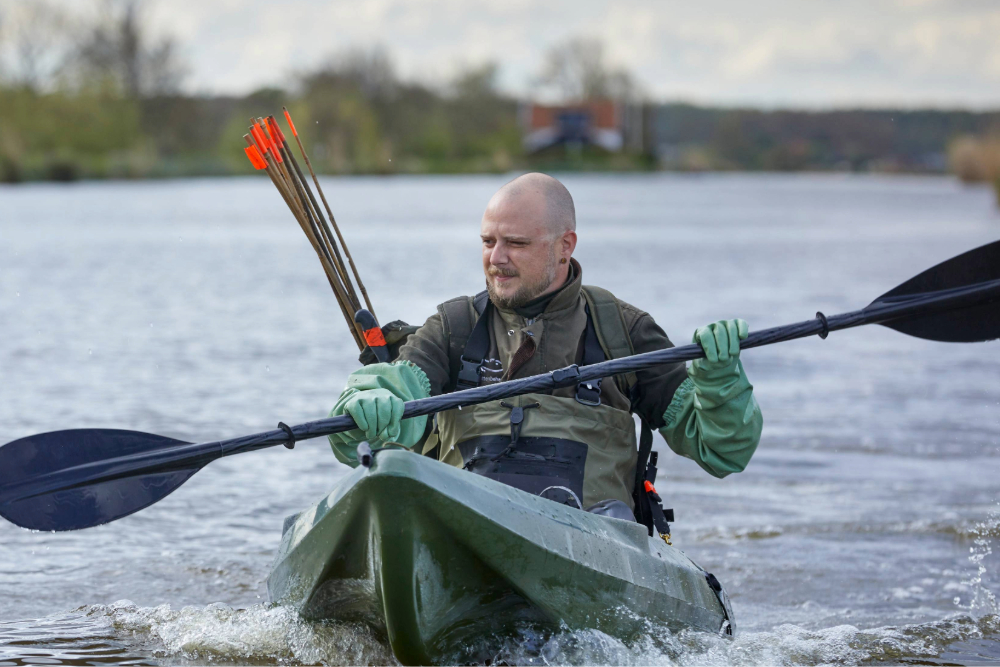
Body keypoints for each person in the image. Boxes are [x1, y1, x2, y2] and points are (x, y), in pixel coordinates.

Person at [327, 173, 762, 518]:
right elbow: (392, 390)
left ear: (564, 247)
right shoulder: (454, 326)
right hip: (463, 533)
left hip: (596, 543)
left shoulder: (623, 331)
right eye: (488, 241)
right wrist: (370, 403)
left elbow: (722, 451)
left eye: (515, 243)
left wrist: (719, 380)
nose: (496, 258)